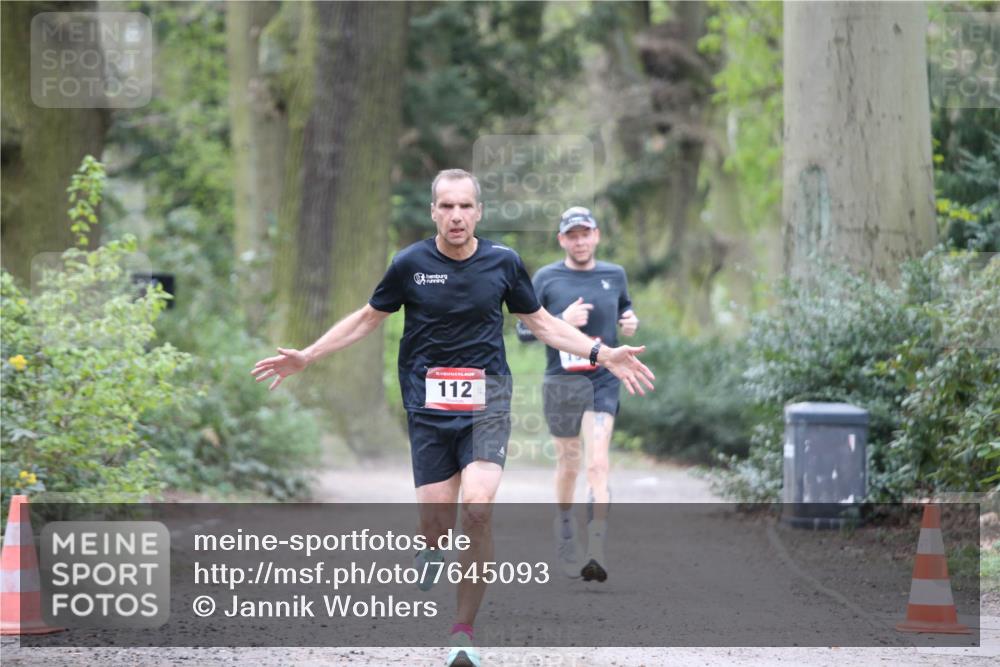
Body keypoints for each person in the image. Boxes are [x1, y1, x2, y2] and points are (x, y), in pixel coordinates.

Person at [251, 171, 654, 667]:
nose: (456, 215)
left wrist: (602, 351)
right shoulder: (410, 264)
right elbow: (367, 318)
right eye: (447, 206)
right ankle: (432, 545)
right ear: (434, 212)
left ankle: (462, 631)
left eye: (465, 206)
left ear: (478, 212)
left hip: (488, 401)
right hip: (429, 406)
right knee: (436, 521)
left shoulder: (503, 263)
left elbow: (542, 323)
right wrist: (308, 356)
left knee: (479, 509)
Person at [517, 206, 639, 583]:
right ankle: (565, 521)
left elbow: (625, 313)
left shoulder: (614, 275)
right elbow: (524, 332)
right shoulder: (546, 278)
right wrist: (560, 322)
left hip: (602, 380)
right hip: (561, 382)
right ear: (562, 240)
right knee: (569, 465)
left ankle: (596, 551)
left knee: (597, 464)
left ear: (597, 236)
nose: (580, 241)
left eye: (586, 233)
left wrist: (630, 322)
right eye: (572, 235)